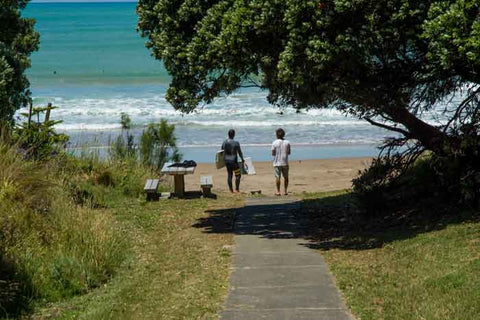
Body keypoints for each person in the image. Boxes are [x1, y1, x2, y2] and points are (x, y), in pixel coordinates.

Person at [271, 128, 291, 195]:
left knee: (277, 177)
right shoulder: (287, 142)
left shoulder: (274, 142)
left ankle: (278, 191)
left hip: (277, 162)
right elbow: (289, 152)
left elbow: (273, 153)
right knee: (286, 177)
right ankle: (285, 191)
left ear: (276, 135)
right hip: (285, 162)